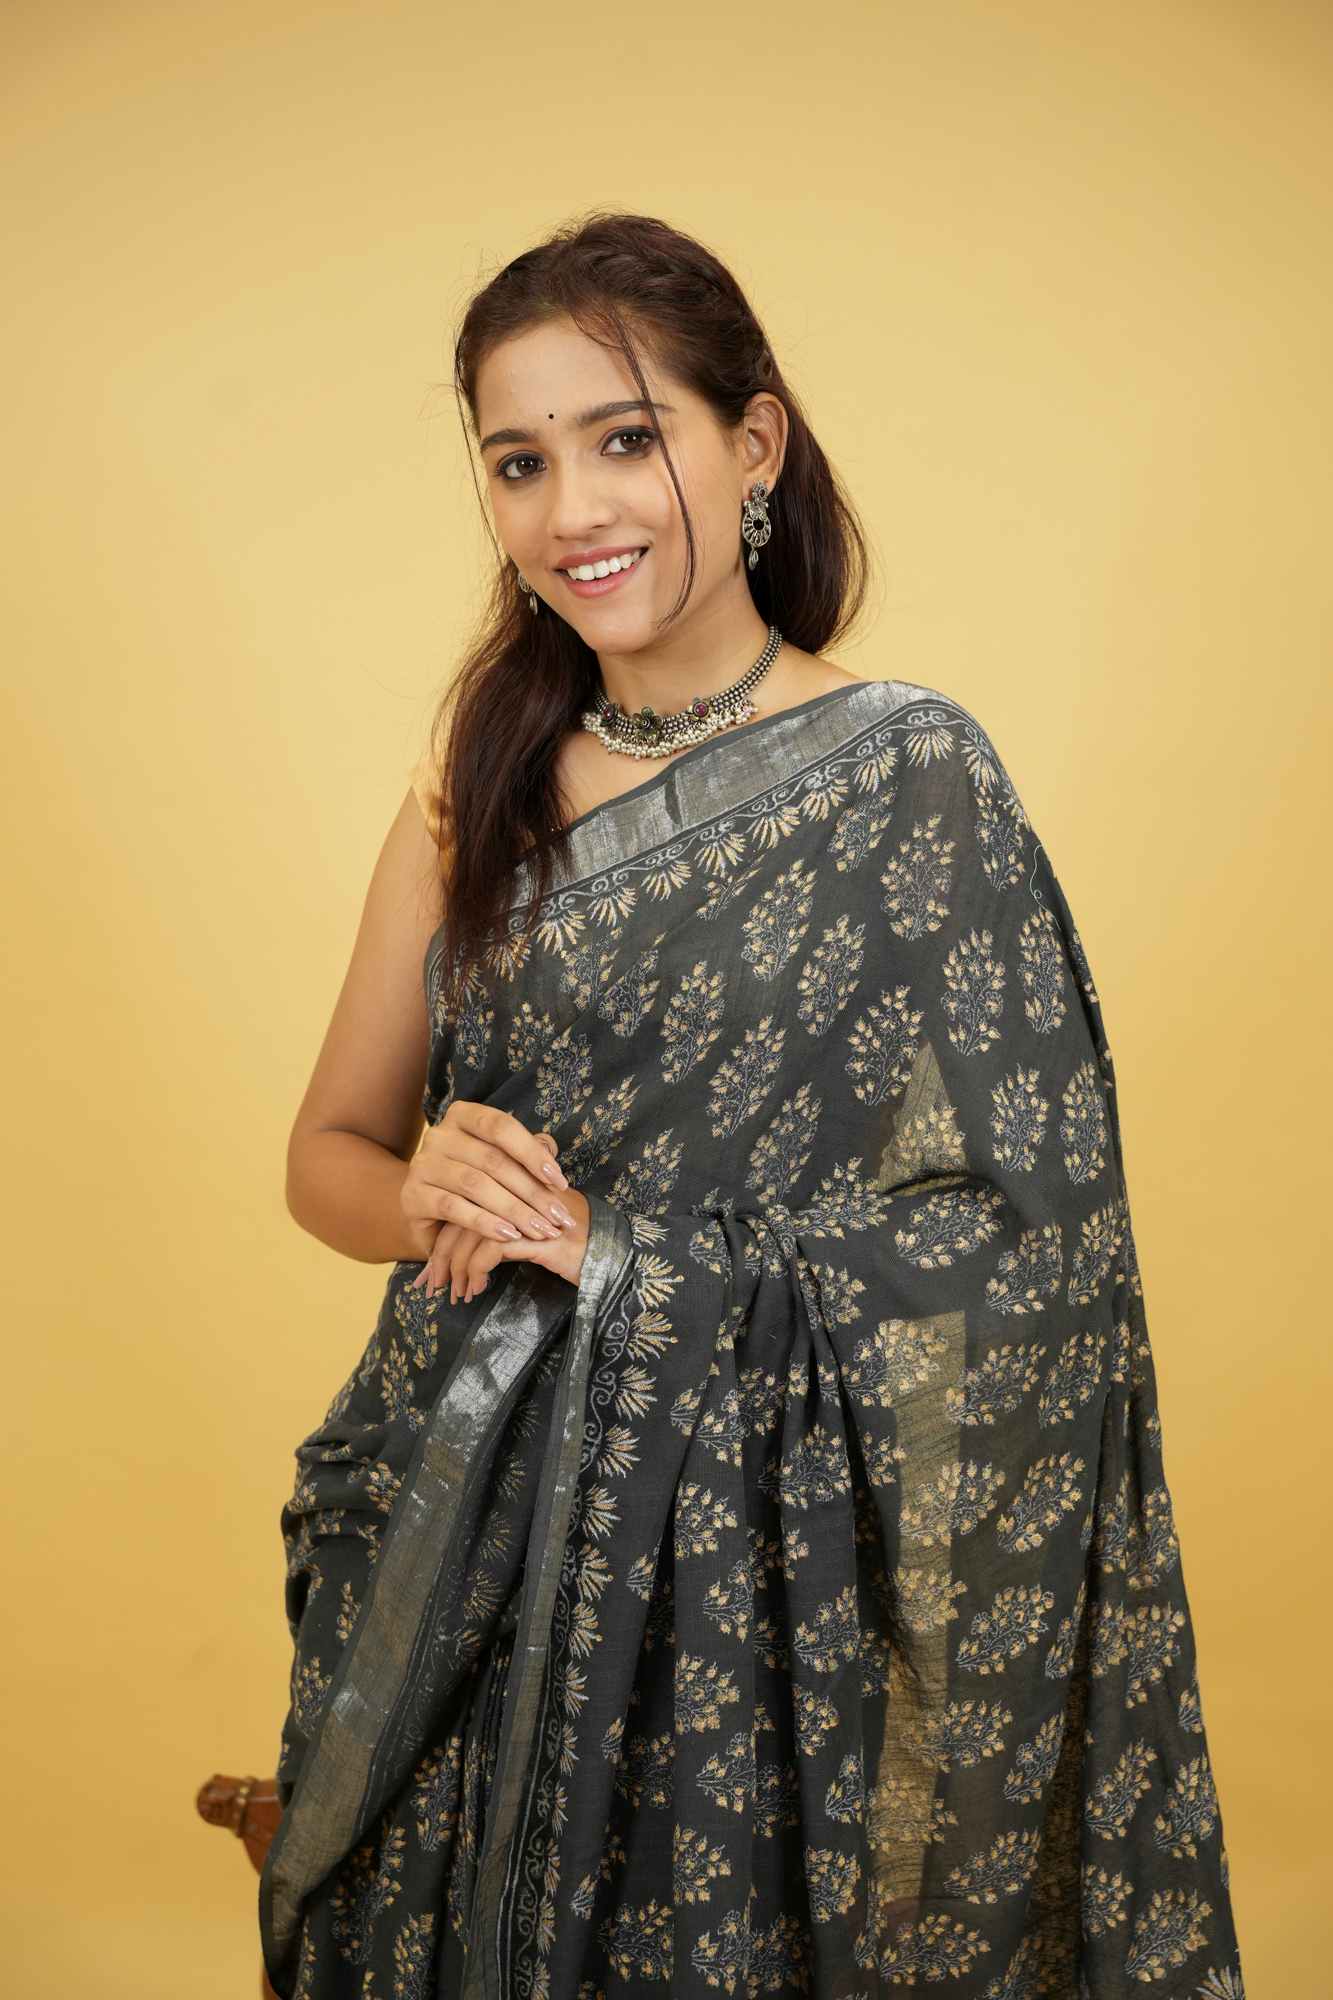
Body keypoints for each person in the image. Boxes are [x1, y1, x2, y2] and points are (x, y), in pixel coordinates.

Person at [259, 209, 1245, 2000]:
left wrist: (632, 1267)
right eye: (518, 461)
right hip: (468, 1539)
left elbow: (1028, 1256)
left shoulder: (911, 775)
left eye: (624, 439)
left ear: (753, 444)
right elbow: (326, 1155)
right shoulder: (473, 787)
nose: (573, 510)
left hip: (755, 1599)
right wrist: (423, 1193)